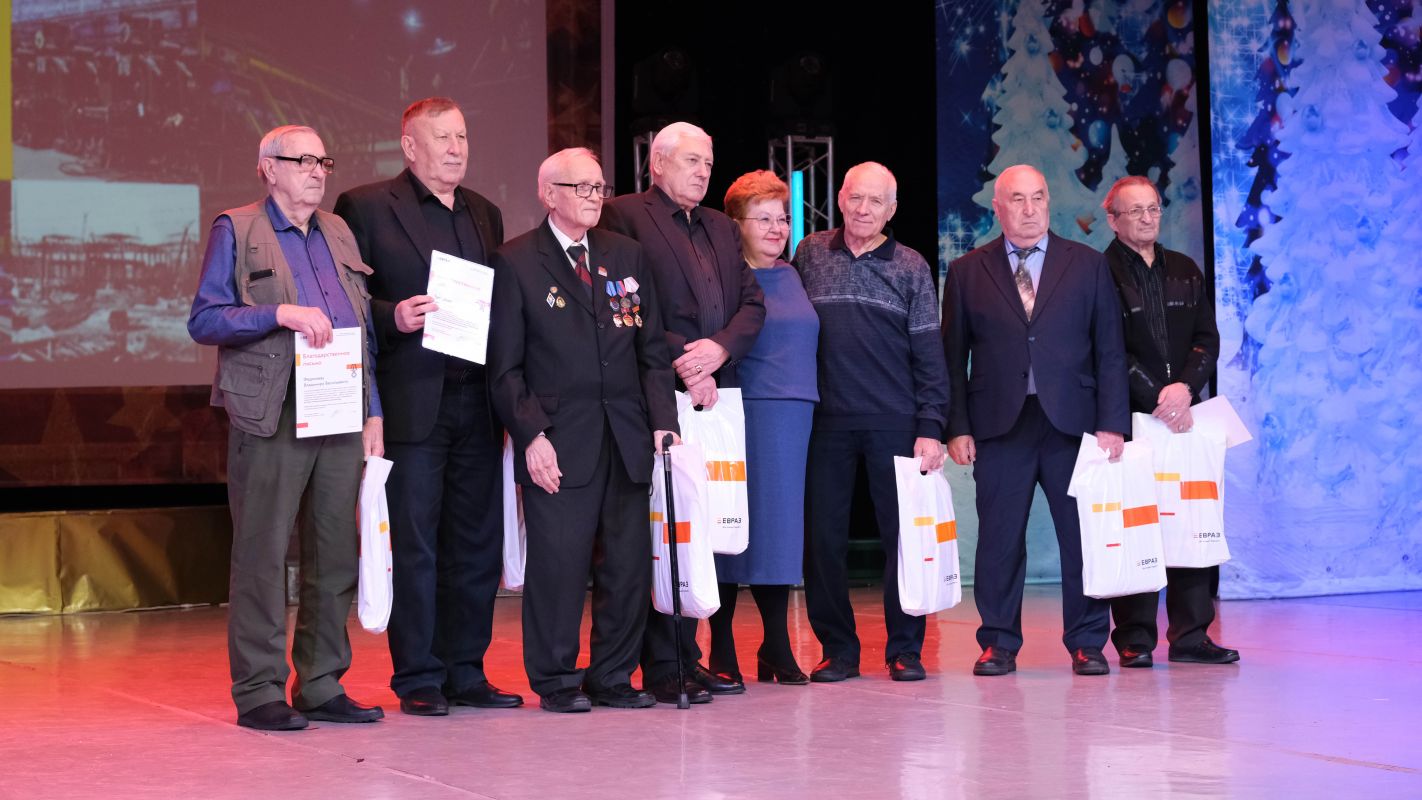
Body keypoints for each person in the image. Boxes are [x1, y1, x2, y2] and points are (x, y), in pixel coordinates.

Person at [188, 125, 385, 730]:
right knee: (263, 553)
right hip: (271, 410)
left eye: (323, 160)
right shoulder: (238, 227)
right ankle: (259, 691)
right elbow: (205, 320)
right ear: (269, 169)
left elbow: (361, 327)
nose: (317, 170)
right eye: (303, 160)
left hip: (340, 408)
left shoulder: (338, 230)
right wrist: (279, 313)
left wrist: (374, 409)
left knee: (336, 553)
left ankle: (321, 683)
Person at [333, 97, 521, 716]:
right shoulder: (366, 206)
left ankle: (467, 670)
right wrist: (395, 316)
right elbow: (350, 301)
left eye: (462, 136)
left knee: (476, 544)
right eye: (442, 137)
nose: (456, 148)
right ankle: (417, 675)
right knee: (415, 543)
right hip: (413, 401)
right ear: (410, 146)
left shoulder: (486, 213)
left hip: (477, 400)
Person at [488, 147, 680, 713]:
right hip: (559, 438)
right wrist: (531, 436)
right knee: (559, 565)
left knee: (626, 565)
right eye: (583, 188)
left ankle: (613, 675)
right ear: (549, 194)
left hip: (626, 435)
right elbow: (505, 368)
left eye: (600, 187)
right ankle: (554, 678)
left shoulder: (626, 255)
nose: (596, 197)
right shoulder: (516, 261)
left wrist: (663, 423)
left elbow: (651, 351)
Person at [598, 121, 765, 703]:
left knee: (695, 527)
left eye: (708, 163)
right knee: (660, 530)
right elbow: (620, 303)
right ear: (659, 163)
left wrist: (719, 351)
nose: (703, 172)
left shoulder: (721, 226)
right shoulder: (624, 215)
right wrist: (686, 359)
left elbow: (752, 303)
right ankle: (661, 665)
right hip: (653, 393)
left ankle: (687, 658)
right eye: (692, 161)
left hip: (712, 392)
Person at [941, 164, 1129, 677]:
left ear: (1049, 202)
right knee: (999, 541)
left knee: (1082, 539)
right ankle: (998, 643)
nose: (1029, 210)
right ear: (997, 207)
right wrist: (957, 426)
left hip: (1075, 425)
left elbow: (1110, 350)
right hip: (999, 426)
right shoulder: (967, 272)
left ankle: (1087, 642)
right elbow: (952, 358)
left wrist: (1112, 423)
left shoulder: (1087, 265)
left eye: (1038, 198)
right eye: (1017, 199)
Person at [793, 162, 948, 683]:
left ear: (892, 210)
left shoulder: (911, 266)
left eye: (875, 201)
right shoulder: (810, 252)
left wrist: (931, 425)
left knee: (904, 540)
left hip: (896, 422)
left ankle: (905, 649)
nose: (863, 209)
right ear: (840, 198)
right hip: (824, 422)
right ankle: (838, 650)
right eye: (855, 198)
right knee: (822, 542)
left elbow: (930, 354)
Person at [1100, 175, 1240, 668]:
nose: (1147, 218)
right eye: (1134, 210)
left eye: (1153, 208)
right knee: (1137, 526)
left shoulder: (1184, 268)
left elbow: (1208, 339)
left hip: (1184, 418)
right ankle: (1135, 639)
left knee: (1192, 523)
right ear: (1112, 219)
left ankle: (1191, 636)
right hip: (1132, 419)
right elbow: (1106, 350)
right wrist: (1157, 395)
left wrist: (1184, 389)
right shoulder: (1098, 273)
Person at [705, 170, 819, 686]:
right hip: (738, 412)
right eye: (764, 219)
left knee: (778, 532)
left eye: (784, 218)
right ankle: (722, 648)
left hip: (792, 418)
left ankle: (775, 645)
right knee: (728, 526)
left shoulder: (793, 274)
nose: (778, 229)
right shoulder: (723, 279)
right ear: (736, 225)